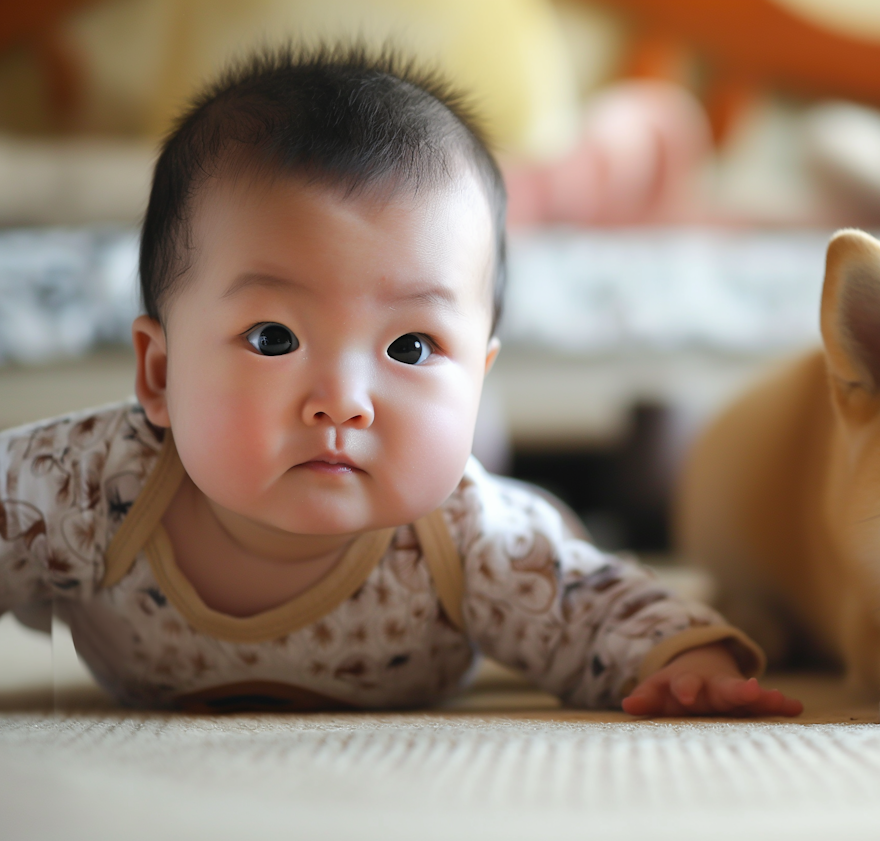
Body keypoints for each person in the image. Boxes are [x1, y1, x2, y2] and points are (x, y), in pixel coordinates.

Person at [0, 45, 801, 717]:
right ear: (161, 374)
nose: (343, 399)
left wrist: (688, 658)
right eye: (274, 337)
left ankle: (482, 433)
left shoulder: (464, 533)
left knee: (497, 495)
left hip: (443, 491)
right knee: (425, 442)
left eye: (412, 345)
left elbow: (591, 601)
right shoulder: (89, 482)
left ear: (481, 371)